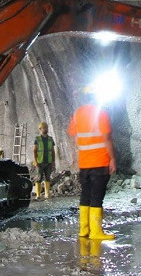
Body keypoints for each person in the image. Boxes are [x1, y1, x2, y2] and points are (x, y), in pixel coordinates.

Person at [68, 89, 117, 241]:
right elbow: (107, 138)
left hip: (85, 163)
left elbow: (73, 136)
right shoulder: (100, 113)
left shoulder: (77, 114)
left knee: (85, 194)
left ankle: (84, 230)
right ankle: (96, 232)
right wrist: (113, 159)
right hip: (100, 161)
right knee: (97, 196)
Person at [33, 121, 56, 199]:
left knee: (48, 177)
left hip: (48, 161)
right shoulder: (37, 139)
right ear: (40, 129)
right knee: (39, 178)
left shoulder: (50, 139)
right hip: (40, 162)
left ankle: (47, 194)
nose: (46, 129)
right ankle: (38, 194)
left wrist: (53, 162)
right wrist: (35, 161)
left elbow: (53, 151)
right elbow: (35, 151)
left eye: (46, 127)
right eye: (44, 128)